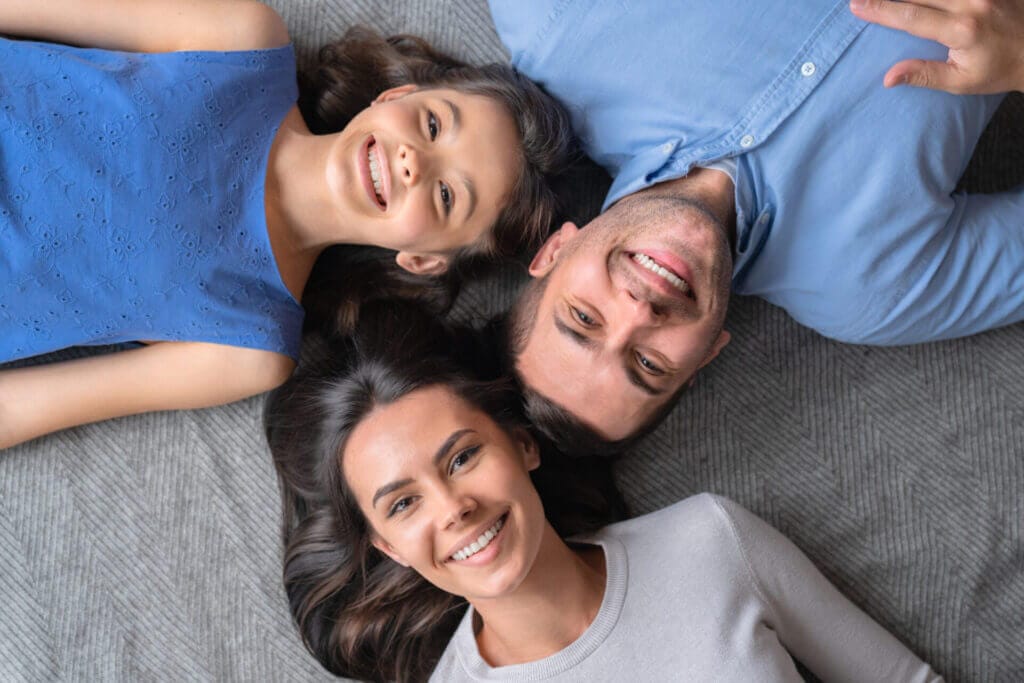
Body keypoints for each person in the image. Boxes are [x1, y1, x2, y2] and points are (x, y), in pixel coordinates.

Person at [0, 0, 574, 449]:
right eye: (431, 124)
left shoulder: (249, 343)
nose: (413, 161)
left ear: (423, 260)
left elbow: (29, 406)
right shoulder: (245, 43)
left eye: (448, 195)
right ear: (397, 95)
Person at [264, 304, 942, 682]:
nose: (453, 506)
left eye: (463, 456)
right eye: (403, 502)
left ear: (522, 443)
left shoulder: (710, 539)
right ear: (388, 545)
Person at [490, 0, 1024, 447]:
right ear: (708, 355)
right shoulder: (873, 289)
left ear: (554, 250)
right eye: (649, 365)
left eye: (584, 318)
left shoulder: (556, 30)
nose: (637, 313)